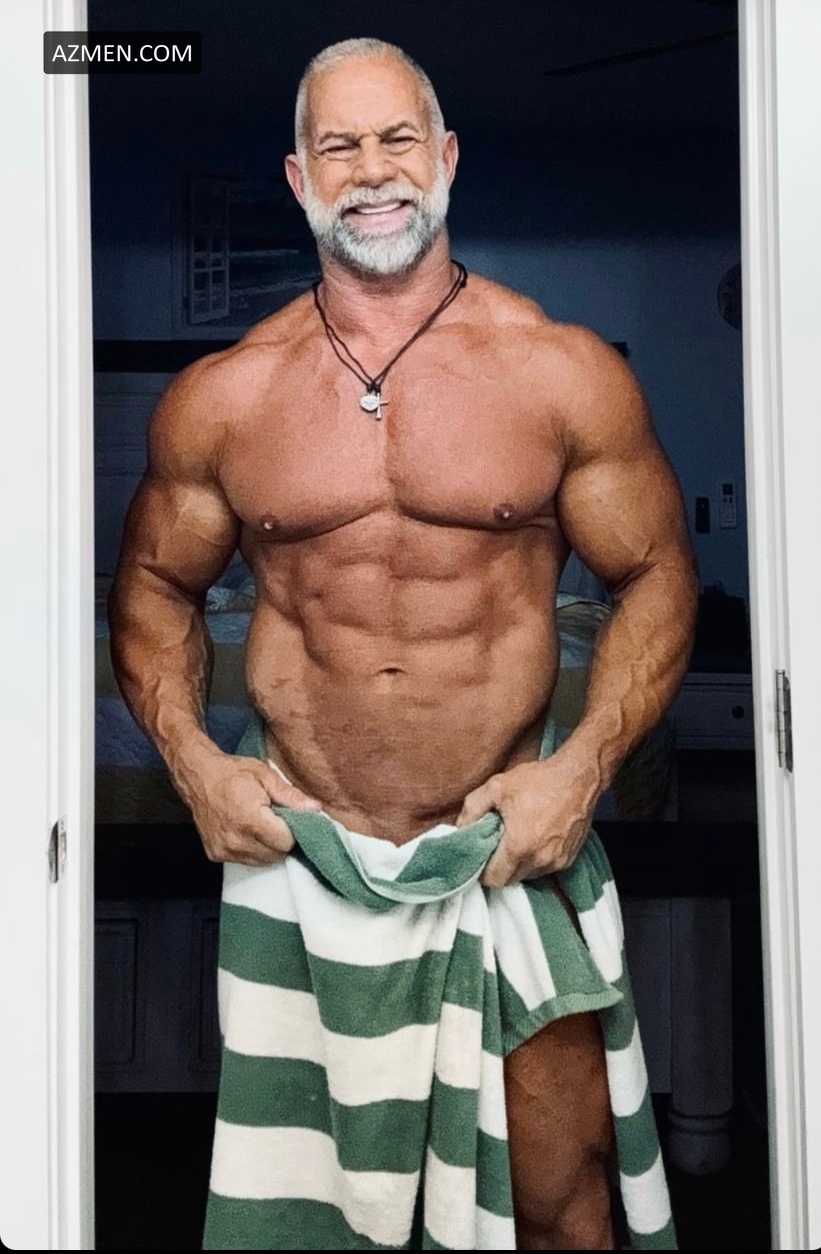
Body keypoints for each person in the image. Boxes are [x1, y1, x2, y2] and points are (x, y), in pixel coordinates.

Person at [109, 37, 697, 1252]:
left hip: (504, 848)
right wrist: (194, 764)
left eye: (396, 140)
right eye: (338, 145)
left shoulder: (558, 371)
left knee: (560, 1194)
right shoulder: (225, 395)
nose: (371, 170)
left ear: (445, 157)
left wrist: (581, 769)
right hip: (302, 856)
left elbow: (653, 576)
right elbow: (154, 590)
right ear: (297, 178)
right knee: (311, 1219)